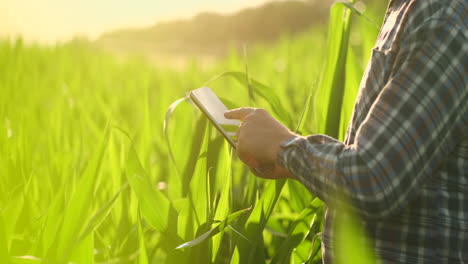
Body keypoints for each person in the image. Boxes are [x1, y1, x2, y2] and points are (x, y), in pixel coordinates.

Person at [224, 0, 467, 263]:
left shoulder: (442, 16)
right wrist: (293, 161)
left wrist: (284, 146)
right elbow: (384, 162)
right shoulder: (414, 10)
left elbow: (375, 178)